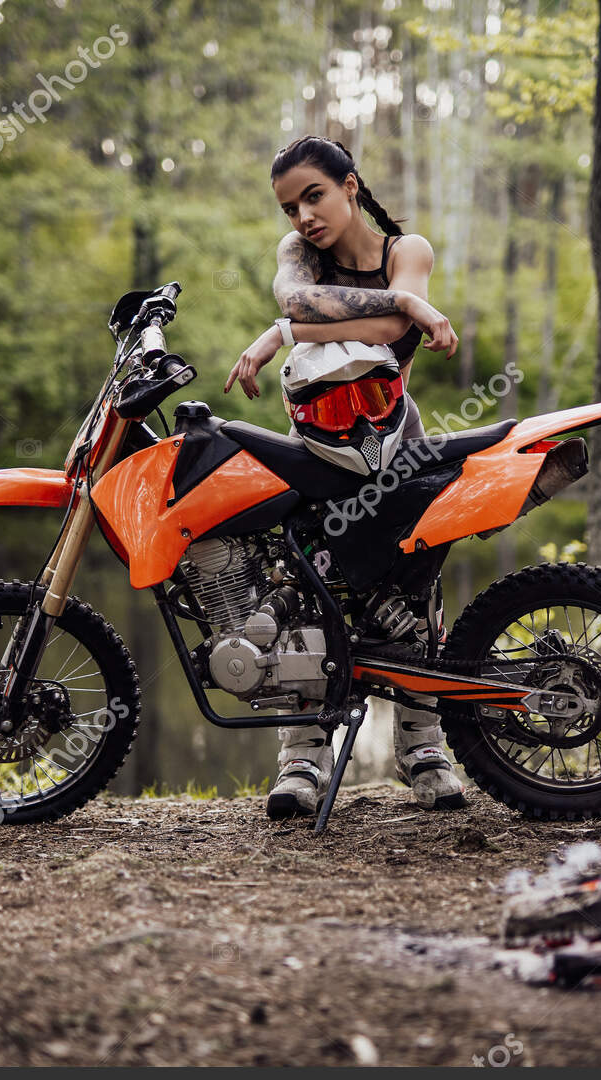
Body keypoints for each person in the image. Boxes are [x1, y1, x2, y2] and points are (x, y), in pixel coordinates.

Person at [223, 135, 469, 820]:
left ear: (351, 187)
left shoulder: (406, 250)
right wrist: (289, 322)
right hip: (317, 448)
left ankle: (423, 746)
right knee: (301, 581)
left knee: (415, 585)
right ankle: (303, 754)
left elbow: (390, 328)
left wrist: (283, 333)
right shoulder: (296, 255)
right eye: (289, 207)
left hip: (397, 442)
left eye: (314, 195)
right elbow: (298, 299)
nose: (302, 216)